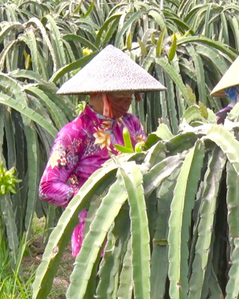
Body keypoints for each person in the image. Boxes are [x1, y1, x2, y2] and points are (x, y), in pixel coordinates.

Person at [39, 45, 165, 257]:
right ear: (98, 93)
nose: (126, 103)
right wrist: (93, 198)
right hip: (93, 232)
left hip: (133, 228)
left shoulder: (131, 123)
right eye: (119, 97)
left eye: (130, 97)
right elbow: (48, 186)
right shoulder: (74, 134)